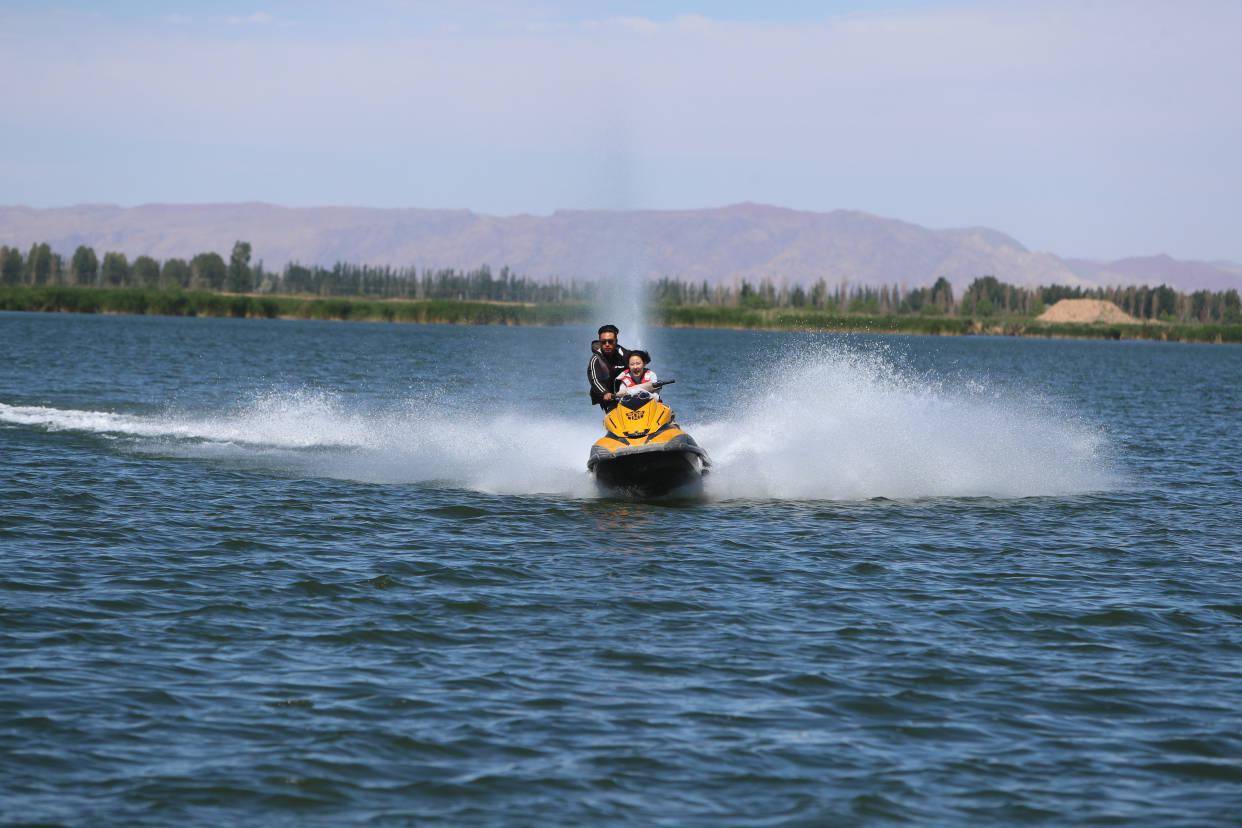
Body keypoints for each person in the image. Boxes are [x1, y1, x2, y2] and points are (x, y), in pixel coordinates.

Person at [588, 324, 628, 411]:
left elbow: (639, 364)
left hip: (625, 392)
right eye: (603, 342)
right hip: (607, 396)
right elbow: (594, 380)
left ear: (616, 341)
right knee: (612, 407)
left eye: (610, 341)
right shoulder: (595, 359)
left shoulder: (626, 355)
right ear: (600, 342)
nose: (607, 344)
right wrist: (605, 393)